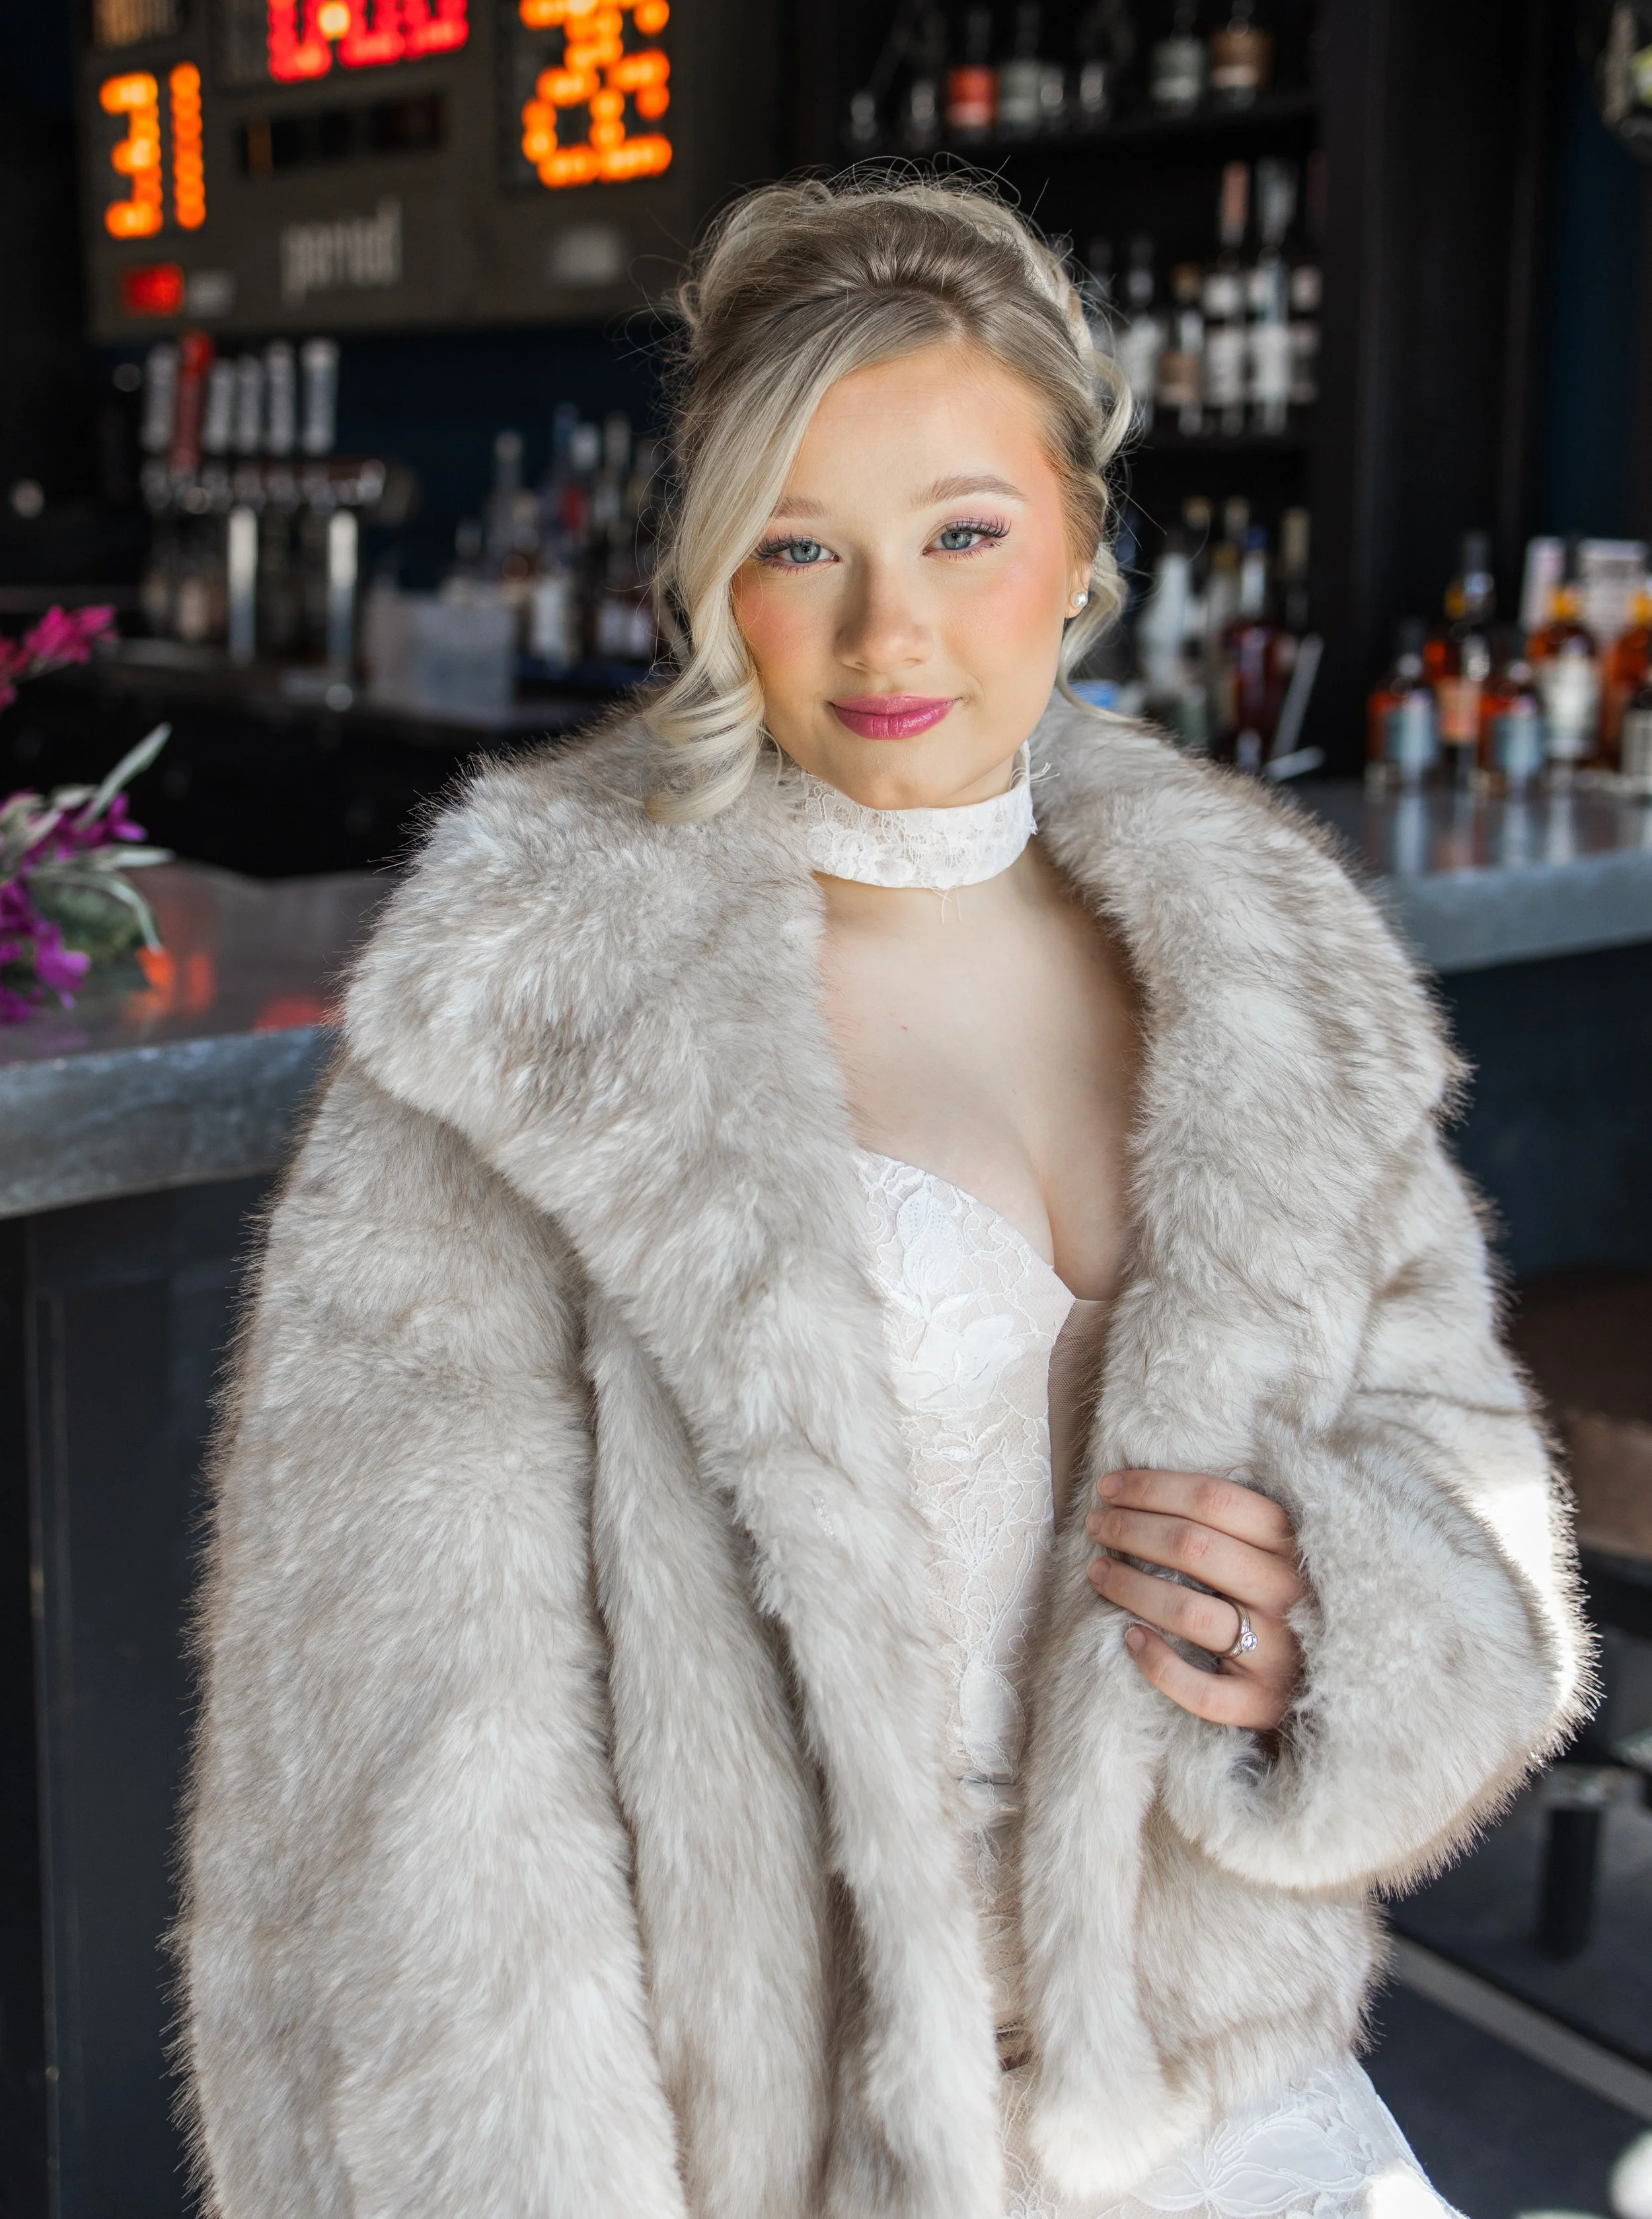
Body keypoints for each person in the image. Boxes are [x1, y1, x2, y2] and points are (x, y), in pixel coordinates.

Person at [181, 178, 1586, 2219]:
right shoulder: (542, 1008)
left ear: (1081, 547)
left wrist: (1335, 1623)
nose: (884, 632)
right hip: (783, 2150)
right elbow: (395, 1788)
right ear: (712, 581)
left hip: (1220, 2098)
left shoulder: (1272, 971)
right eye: (797, 547)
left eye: (959, 534)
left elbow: (1469, 1521)